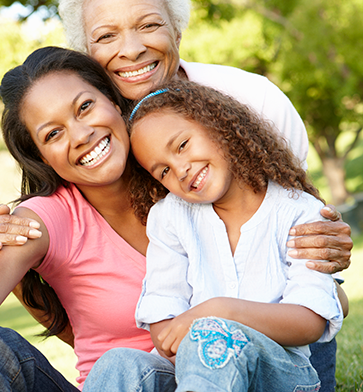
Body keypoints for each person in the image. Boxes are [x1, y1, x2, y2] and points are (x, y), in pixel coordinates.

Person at [0, 0, 352, 390]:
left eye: (149, 24)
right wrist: (9, 240)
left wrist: (328, 247)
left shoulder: (254, 102)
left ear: (177, 28)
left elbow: (320, 268)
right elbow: (67, 279)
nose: (131, 49)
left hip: (280, 352)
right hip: (177, 361)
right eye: (106, 35)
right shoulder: (96, 139)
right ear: (86, 55)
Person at [83, 80, 344, 391]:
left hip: (281, 375)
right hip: (192, 373)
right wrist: (187, 341)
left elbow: (310, 322)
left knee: (212, 336)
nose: (180, 169)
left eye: (182, 146)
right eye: (163, 171)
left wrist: (219, 312)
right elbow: (163, 315)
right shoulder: (170, 217)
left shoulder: (299, 212)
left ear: (218, 126)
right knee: (119, 363)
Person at [0, 46, 156, 391]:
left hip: (216, 373)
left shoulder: (181, 171)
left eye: (85, 107)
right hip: (115, 383)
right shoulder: (45, 220)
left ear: (114, 100)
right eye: (53, 134)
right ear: (41, 157)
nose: (80, 135)